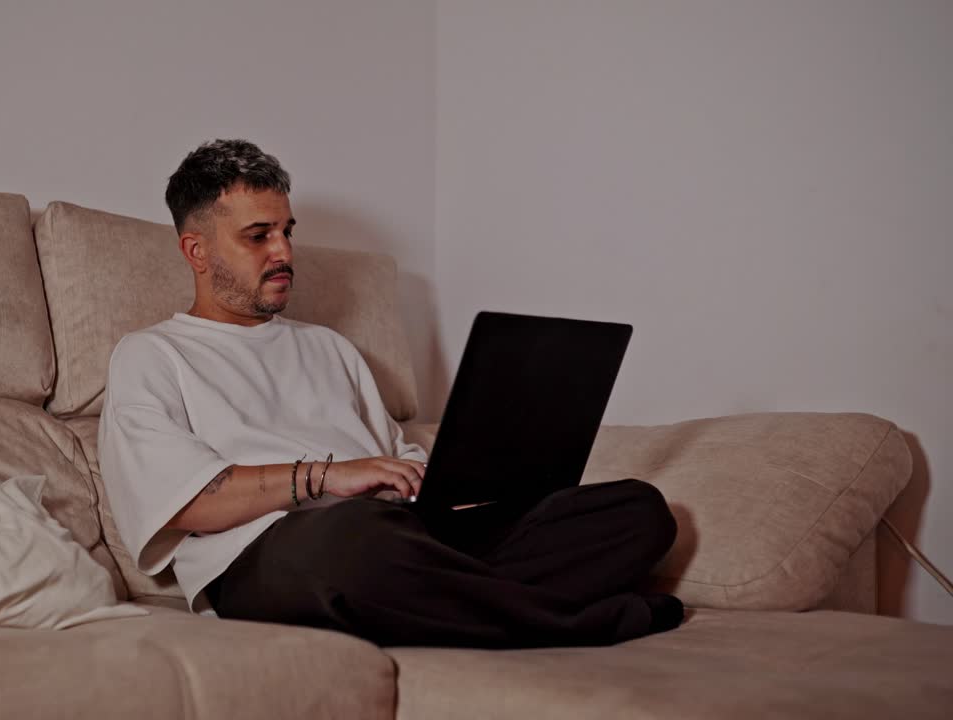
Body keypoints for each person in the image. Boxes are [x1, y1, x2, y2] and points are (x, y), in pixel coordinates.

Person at [98, 139, 683, 648]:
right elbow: (186, 503)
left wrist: (442, 485)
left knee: (637, 511)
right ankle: (577, 619)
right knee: (356, 543)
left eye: (286, 231)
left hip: (402, 538)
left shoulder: (329, 348)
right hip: (274, 554)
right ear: (196, 251)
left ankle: (462, 600)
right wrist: (329, 477)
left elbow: (397, 461)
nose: (285, 253)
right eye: (259, 236)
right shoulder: (152, 355)